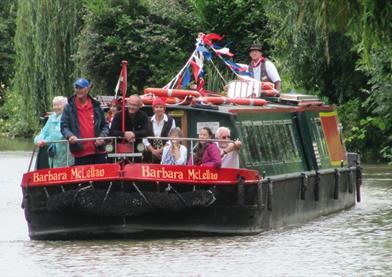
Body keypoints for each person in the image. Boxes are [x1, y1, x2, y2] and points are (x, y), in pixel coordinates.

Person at [61, 78, 109, 165]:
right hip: (79, 153)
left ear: (87, 90)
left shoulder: (96, 106)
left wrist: (102, 137)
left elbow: (105, 126)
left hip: (98, 151)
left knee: (101, 178)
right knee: (82, 178)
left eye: (81, 88)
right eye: (76, 88)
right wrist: (70, 135)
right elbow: (64, 126)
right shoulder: (69, 107)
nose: (78, 90)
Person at [34, 96, 74, 168]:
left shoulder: (67, 117)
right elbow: (44, 131)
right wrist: (38, 140)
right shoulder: (52, 117)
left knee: (63, 170)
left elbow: (57, 134)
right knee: (53, 170)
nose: (56, 107)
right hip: (53, 153)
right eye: (54, 105)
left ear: (65, 106)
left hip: (64, 152)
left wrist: (45, 141)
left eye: (59, 105)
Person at [143, 97, 176, 163]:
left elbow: (173, 138)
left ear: (164, 109)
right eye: (156, 107)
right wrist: (153, 151)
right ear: (153, 109)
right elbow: (144, 138)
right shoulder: (147, 120)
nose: (159, 109)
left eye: (161, 107)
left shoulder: (171, 121)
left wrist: (161, 150)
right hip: (150, 153)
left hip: (166, 152)